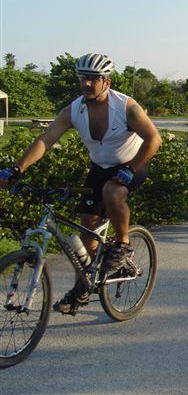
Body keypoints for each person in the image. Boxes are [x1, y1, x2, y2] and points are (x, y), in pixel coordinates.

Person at [0, 53, 162, 315]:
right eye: (83, 78)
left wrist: (131, 170)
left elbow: (154, 139)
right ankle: (86, 283)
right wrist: (17, 168)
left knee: (112, 192)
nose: (87, 84)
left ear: (106, 82)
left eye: (93, 79)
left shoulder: (125, 107)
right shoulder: (75, 109)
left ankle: (122, 244)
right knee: (87, 223)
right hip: (100, 167)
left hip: (132, 163)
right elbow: (46, 139)